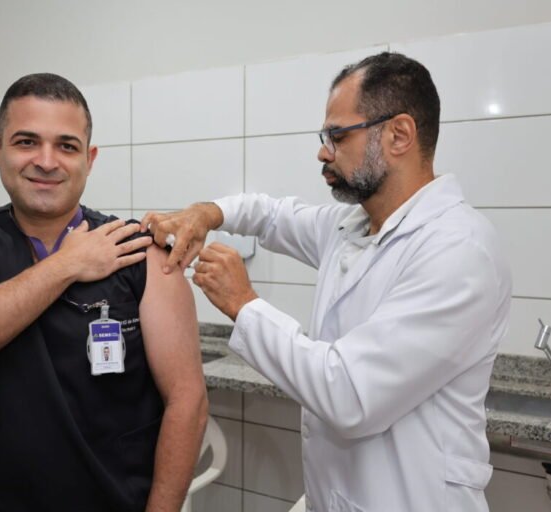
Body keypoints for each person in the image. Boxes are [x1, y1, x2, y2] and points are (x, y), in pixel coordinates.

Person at [143, 52, 511, 511]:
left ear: (398, 135)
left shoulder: (458, 251)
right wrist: (207, 213)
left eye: (337, 135)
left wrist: (245, 304)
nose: (323, 151)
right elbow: (272, 215)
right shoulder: (354, 227)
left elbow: (349, 395)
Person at [0, 73, 207, 512]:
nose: (46, 161)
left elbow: (188, 402)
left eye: (66, 146)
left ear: (89, 158)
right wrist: (66, 265)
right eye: (27, 142)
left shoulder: (138, 251)